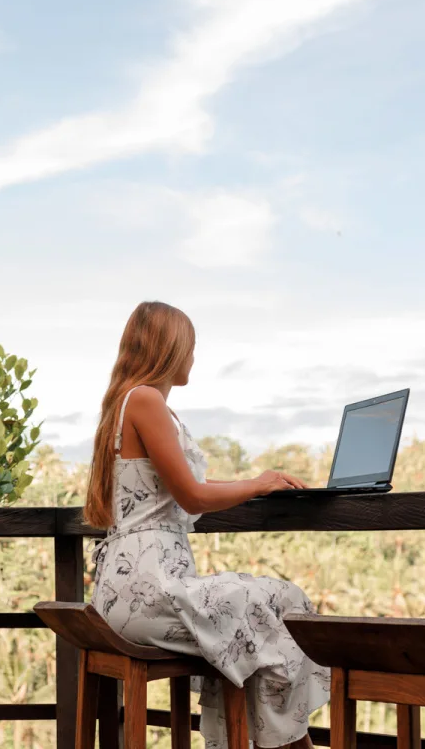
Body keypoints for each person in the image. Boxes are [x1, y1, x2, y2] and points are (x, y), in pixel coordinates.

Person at [86, 301, 330, 749]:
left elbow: (185, 482)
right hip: (149, 588)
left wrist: (260, 482)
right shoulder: (145, 400)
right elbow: (193, 495)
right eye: (190, 347)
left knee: (256, 619)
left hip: (132, 587)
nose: (194, 358)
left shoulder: (132, 402)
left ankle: (271, 741)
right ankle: (290, 744)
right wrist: (256, 485)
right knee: (282, 602)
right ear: (170, 349)